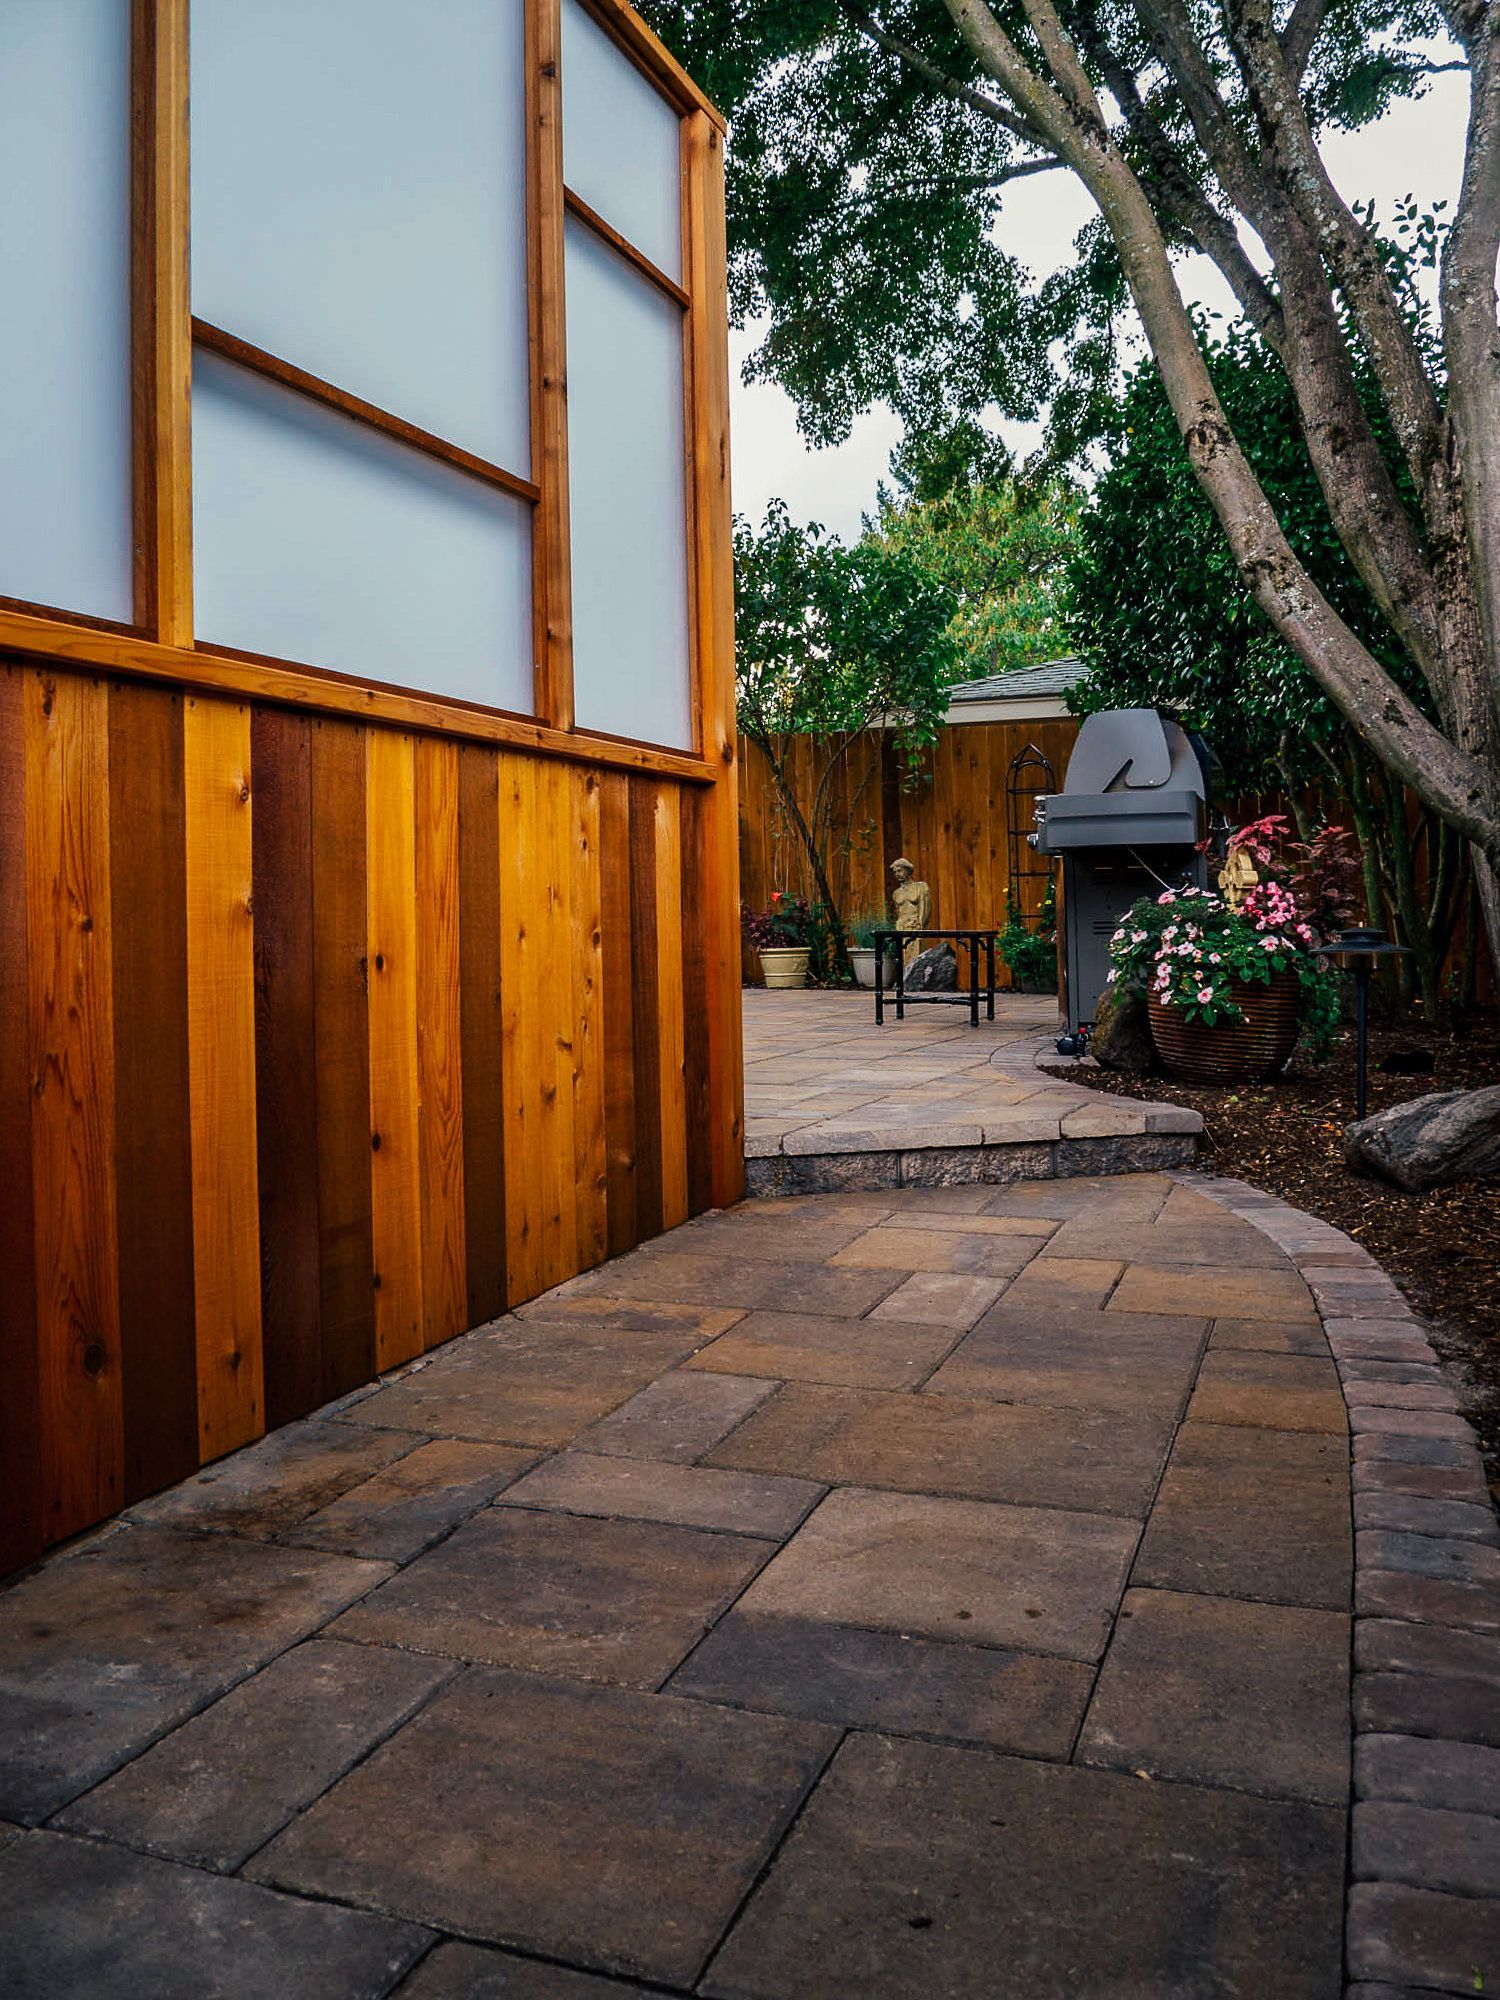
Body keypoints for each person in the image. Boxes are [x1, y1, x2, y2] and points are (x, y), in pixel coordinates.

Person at [890, 857, 931, 965]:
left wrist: (921, 924)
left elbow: (925, 907)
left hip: (915, 926)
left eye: (900, 870)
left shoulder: (920, 887)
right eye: (895, 872)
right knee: (903, 957)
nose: (897, 874)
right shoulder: (896, 893)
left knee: (916, 958)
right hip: (902, 927)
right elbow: (899, 912)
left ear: (908, 870)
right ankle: (904, 979)